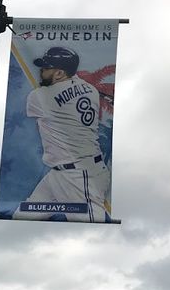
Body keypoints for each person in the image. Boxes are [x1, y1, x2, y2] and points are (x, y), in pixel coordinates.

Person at [13, 46, 110, 222]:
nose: (41, 71)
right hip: (63, 173)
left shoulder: (39, 96)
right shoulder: (90, 89)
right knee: (22, 216)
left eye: (46, 68)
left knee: (91, 227)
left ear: (59, 73)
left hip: (79, 176)